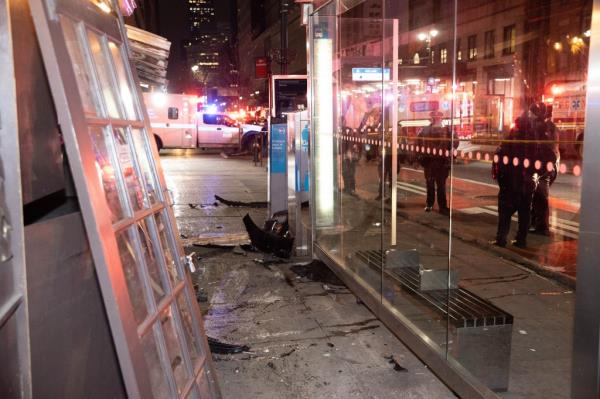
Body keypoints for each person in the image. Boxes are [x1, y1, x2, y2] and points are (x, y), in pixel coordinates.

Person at [491, 114, 537, 248]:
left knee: (505, 212)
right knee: (524, 213)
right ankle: (521, 240)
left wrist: (500, 178)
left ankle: (501, 239)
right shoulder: (534, 141)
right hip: (526, 183)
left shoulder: (510, 140)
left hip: (510, 182)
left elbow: (498, 160)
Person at [417, 111, 457, 215]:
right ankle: (431, 204)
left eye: (438, 117)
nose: (437, 118)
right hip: (430, 161)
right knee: (431, 184)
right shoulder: (426, 130)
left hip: (441, 161)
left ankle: (441, 207)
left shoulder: (447, 130)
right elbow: (419, 142)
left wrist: (452, 148)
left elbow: (455, 141)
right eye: (435, 117)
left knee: (440, 185)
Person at [530, 102, 559, 236]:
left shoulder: (544, 126)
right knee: (538, 195)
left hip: (544, 165)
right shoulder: (546, 126)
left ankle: (541, 226)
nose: (531, 115)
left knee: (540, 195)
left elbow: (549, 149)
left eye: (533, 112)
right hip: (546, 165)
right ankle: (537, 223)